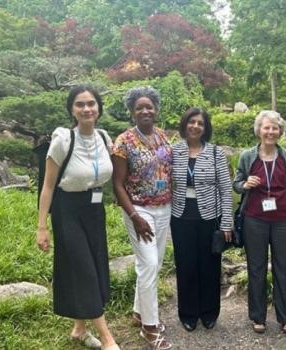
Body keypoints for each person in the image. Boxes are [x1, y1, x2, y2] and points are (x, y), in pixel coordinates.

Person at [36, 86, 119, 350]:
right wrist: (42, 227)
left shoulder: (105, 138)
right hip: (67, 209)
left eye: (91, 103)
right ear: (72, 109)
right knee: (83, 269)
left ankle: (79, 329)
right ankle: (108, 339)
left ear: (99, 108)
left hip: (94, 209)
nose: (87, 109)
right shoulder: (63, 140)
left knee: (94, 266)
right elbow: (47, 186)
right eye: (80, 104)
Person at [112, 86, 172, 350]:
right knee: (148, 263)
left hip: (164, 208)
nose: (145, 111)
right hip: (139, 210)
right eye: (140, 108)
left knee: (154, 264)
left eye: (149, 107)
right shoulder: (123, 142)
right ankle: (150, 327)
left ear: (156, 109)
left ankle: (139, 312)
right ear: (132, 112)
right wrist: (135, 216)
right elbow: (117, 184)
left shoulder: (163, 136)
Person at [233, 110, 286, 334]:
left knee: (283, 268)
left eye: (274, 128)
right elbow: (236, 183)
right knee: (256, 268)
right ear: (259, 130)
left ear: (280, 131)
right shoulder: (247, 156)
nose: (270, 131)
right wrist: (245, 184)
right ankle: (258, 316)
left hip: (283, 219)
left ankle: (285, 317)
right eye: (266, 127)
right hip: (255, 219)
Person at [170, 107, 233, 332]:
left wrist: (227, 223)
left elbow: (226, 190)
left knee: (209, 266)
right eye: (191, 122)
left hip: (210, 218)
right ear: (185, 124)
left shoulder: (216, 153)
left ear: (205, 128)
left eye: (200, 123)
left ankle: (209, 312)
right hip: (180, 216)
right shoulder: (173, 151)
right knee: (186, 265)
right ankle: (188, 313)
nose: (195, 126)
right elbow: (162, 181)